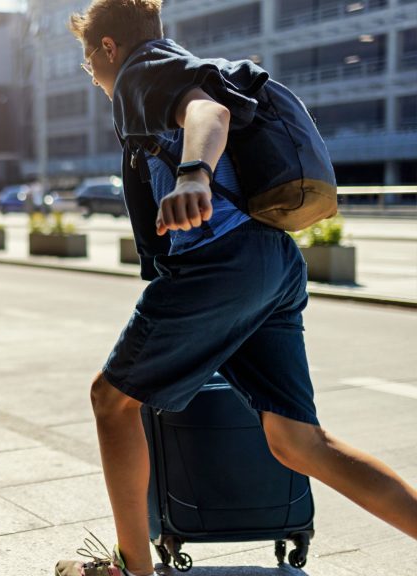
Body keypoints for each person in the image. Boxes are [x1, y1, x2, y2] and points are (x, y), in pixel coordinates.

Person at [57, 2, 417, 575]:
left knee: (111, 399)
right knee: (299, 443)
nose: (93, 77)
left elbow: (209, 113)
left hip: (220, 263)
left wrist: (192, 174)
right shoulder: (179, 62)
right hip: (271, 261)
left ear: (107, 48)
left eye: (88, 62)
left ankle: (132, 569)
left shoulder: (141, 71)